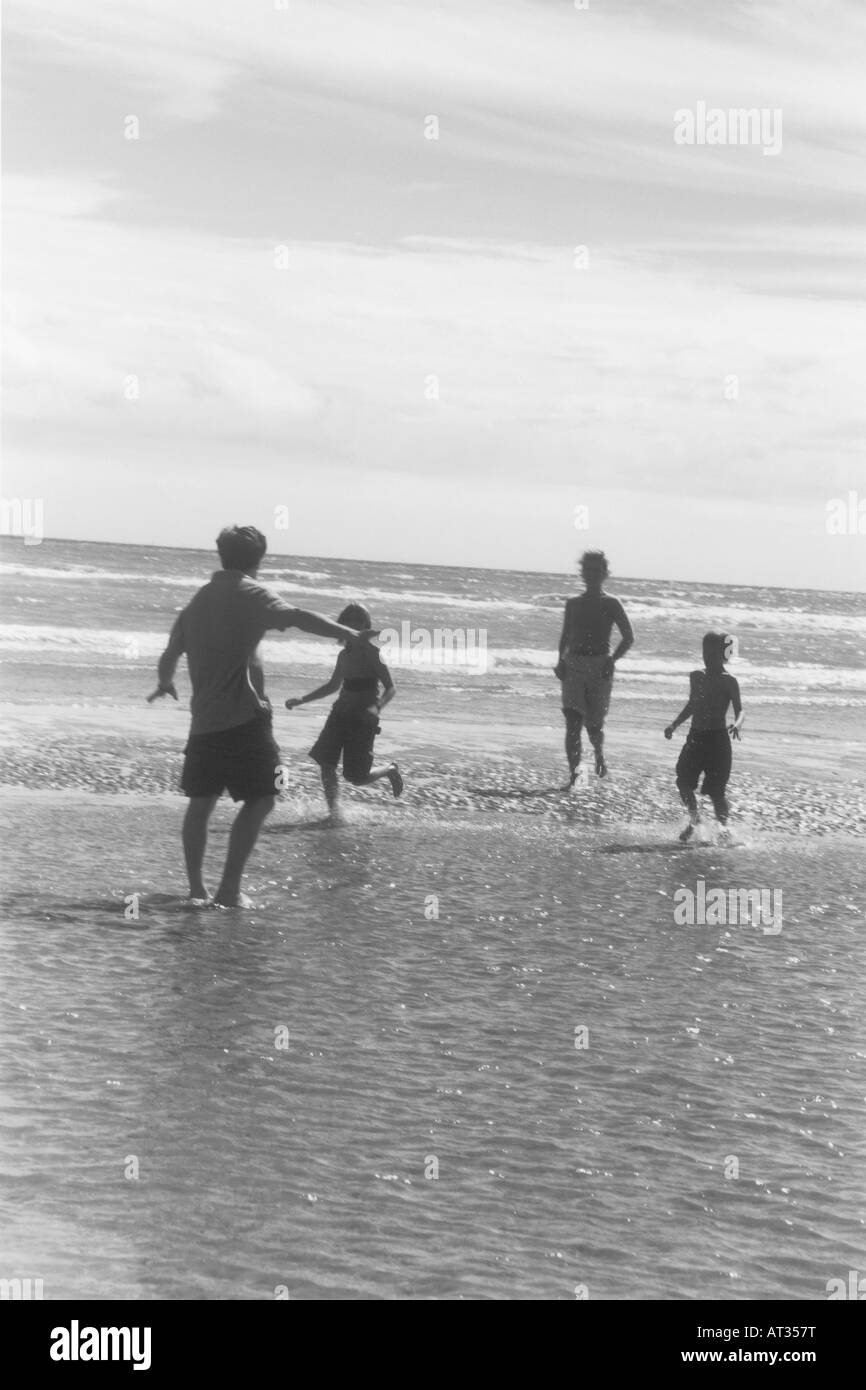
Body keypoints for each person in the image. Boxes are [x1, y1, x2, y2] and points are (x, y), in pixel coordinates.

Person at [150, 525, 377, 907]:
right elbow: (300, 616)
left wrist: (165, 681)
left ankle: (196, 890)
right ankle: (229, 890)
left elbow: (171, 651)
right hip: (244, 720)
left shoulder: (198, 601)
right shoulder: (251, 593)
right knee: (265, 796)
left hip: (203, 723)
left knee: (201, 801)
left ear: (221, 554)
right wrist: (350, 635)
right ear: (259, 559)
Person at [285, 603, 403, 820]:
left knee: (356, 777)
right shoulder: (343, 656)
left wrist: (377, 707)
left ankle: (390, 769)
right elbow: (332, 686)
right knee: (326, 764)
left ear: (366, 628)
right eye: (348, 625)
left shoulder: (374, 653)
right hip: (339, 714)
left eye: (358, 625)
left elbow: (391, 687)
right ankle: (334, 814)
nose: (352, 630)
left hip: (362, 720)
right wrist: (302, 700)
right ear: (341, 628)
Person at [554, 550, 634, 786]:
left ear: (605, 574)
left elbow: (628, 637)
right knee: (572, 722)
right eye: (588, 571)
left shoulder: (611, 603)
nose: (592, 575)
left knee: (594, 725)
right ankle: (575, 777)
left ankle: (599, 753)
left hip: (600, 667)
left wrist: (612, 660)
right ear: (582, 573)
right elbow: (565, 635)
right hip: (574, 665)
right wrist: (560, 661)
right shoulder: (574, 603)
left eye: (596, 571)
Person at [664, 631, 744, 842]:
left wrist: (737, 724)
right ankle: (695, 821)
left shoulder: (729, 681)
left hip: (718, 740)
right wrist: (675, 724)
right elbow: (692, 704)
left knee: (717, 792)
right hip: (696, 737)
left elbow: (740, 710)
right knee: (683, 782)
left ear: (722, 653)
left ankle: (724, 829)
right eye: (704, 651)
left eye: (712, 651)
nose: (707, 655)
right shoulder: (696, 676)